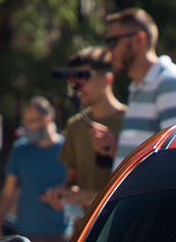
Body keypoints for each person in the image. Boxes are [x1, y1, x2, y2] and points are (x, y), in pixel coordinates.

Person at [106, 9, 176, 168]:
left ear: (139, 39)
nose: (108, 50)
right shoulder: (140, 86)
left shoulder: (168, 81)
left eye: (113, 42)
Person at [0, 97, 68, 242]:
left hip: (60, 235)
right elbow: (8, 190)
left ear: (46, 120)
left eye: (31, 121)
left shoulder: (67, 148)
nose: (27, 127)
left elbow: (76, 185)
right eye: (25, 121)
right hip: (27, 236)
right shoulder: (20, 149)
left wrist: (60, 193)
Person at [52, 47, 125, 214]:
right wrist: (60, 192)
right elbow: (72, 180)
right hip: (83, 230)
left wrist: (94, 197)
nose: (78, 85)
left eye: (84, 77)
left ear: (107, 79)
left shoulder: (131, 122)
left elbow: (139, 183)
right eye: (74, 79)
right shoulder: (75, 126)